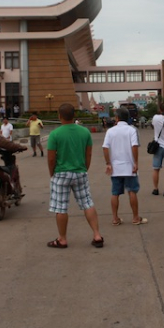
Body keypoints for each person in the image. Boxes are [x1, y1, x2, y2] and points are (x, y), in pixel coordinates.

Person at [46, 103, 104, 249]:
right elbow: (88, 153)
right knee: (87, 203)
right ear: (74, 116)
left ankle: (62, 239)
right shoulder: (84, 132)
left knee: (61, 207)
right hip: (80, 172)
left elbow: (51, 158)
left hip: (61, 173)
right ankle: (97, 235)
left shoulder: (55, 134)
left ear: (59, 116)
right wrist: (85, 168)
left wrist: (52, 173)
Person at [102, 107, 147, 226]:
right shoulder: (131, 130)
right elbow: (135, 146)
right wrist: (135, 162)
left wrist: (108, 163)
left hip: (115, 168)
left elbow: (105, 148)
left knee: (115, 193)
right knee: (132, 191)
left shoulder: (110, 131)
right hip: (129, 167)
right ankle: (136, 217)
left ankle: (115, 218)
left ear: (116, 118)